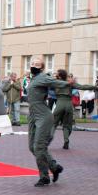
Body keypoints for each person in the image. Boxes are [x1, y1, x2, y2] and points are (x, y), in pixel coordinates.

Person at [26, 57, 67, 187]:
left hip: (43, 116)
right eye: (32, 64)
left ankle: (44, 177)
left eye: (37, 65)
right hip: (33, 115)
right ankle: (54, 167)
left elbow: (56, 82)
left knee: (39, 147)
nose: (33, 66)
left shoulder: (43, 77)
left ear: (42, 68)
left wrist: (68, 83)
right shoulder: (33, 78)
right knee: (33, 147)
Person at [51, 70, 97, 149]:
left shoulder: (55, 82)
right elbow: (83, 87)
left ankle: (47, 139)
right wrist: (95, 87)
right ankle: (66, 140)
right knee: (67, 125)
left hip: (59, 104)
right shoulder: (70, 83)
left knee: (53, 124)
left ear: (59, 76)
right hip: (69, 105)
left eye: (56, 74)